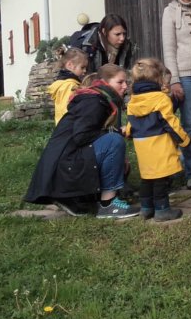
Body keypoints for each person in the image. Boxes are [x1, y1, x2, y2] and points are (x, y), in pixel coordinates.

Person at [24, 64, 140, 219]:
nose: (125, 86)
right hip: (67, 164)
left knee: (113, 142)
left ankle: (75, 198)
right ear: (105, 82)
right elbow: (82, 136)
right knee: (114, 141)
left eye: (126, 82)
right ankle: (108, 205)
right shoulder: (94, 101)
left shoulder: (95, 98)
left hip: (64, 163)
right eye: (120, 82)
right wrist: (116, 134)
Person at [126, 58, 190, 221]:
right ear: (158, 79)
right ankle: (162, 210)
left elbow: (130, 124)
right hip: (159, 145)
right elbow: (170, 122)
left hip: (142, 146)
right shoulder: (160, 99)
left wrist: (127, 133)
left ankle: (146, 208)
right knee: (160, 179)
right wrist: (184, 140)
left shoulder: (134, 100)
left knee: (147, 179)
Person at [162, 0, 191, 189]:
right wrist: (174, 79)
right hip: (186, 77)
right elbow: (169, 49)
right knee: (190, 125)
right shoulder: (170, 12)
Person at [70, 14, 135, 73]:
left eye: (124, 33)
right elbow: (86, 76)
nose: (122, 38)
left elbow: (125, 71)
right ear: (104, 32)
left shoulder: (127, 45)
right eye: (117, 34)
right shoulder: (87, 47)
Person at [48, 48, 89, 125]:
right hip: (69, 128)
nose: (85, 71)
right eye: (82, 67)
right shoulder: (69, 86)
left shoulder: (64, 84)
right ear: (70, 65)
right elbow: (66, 109)